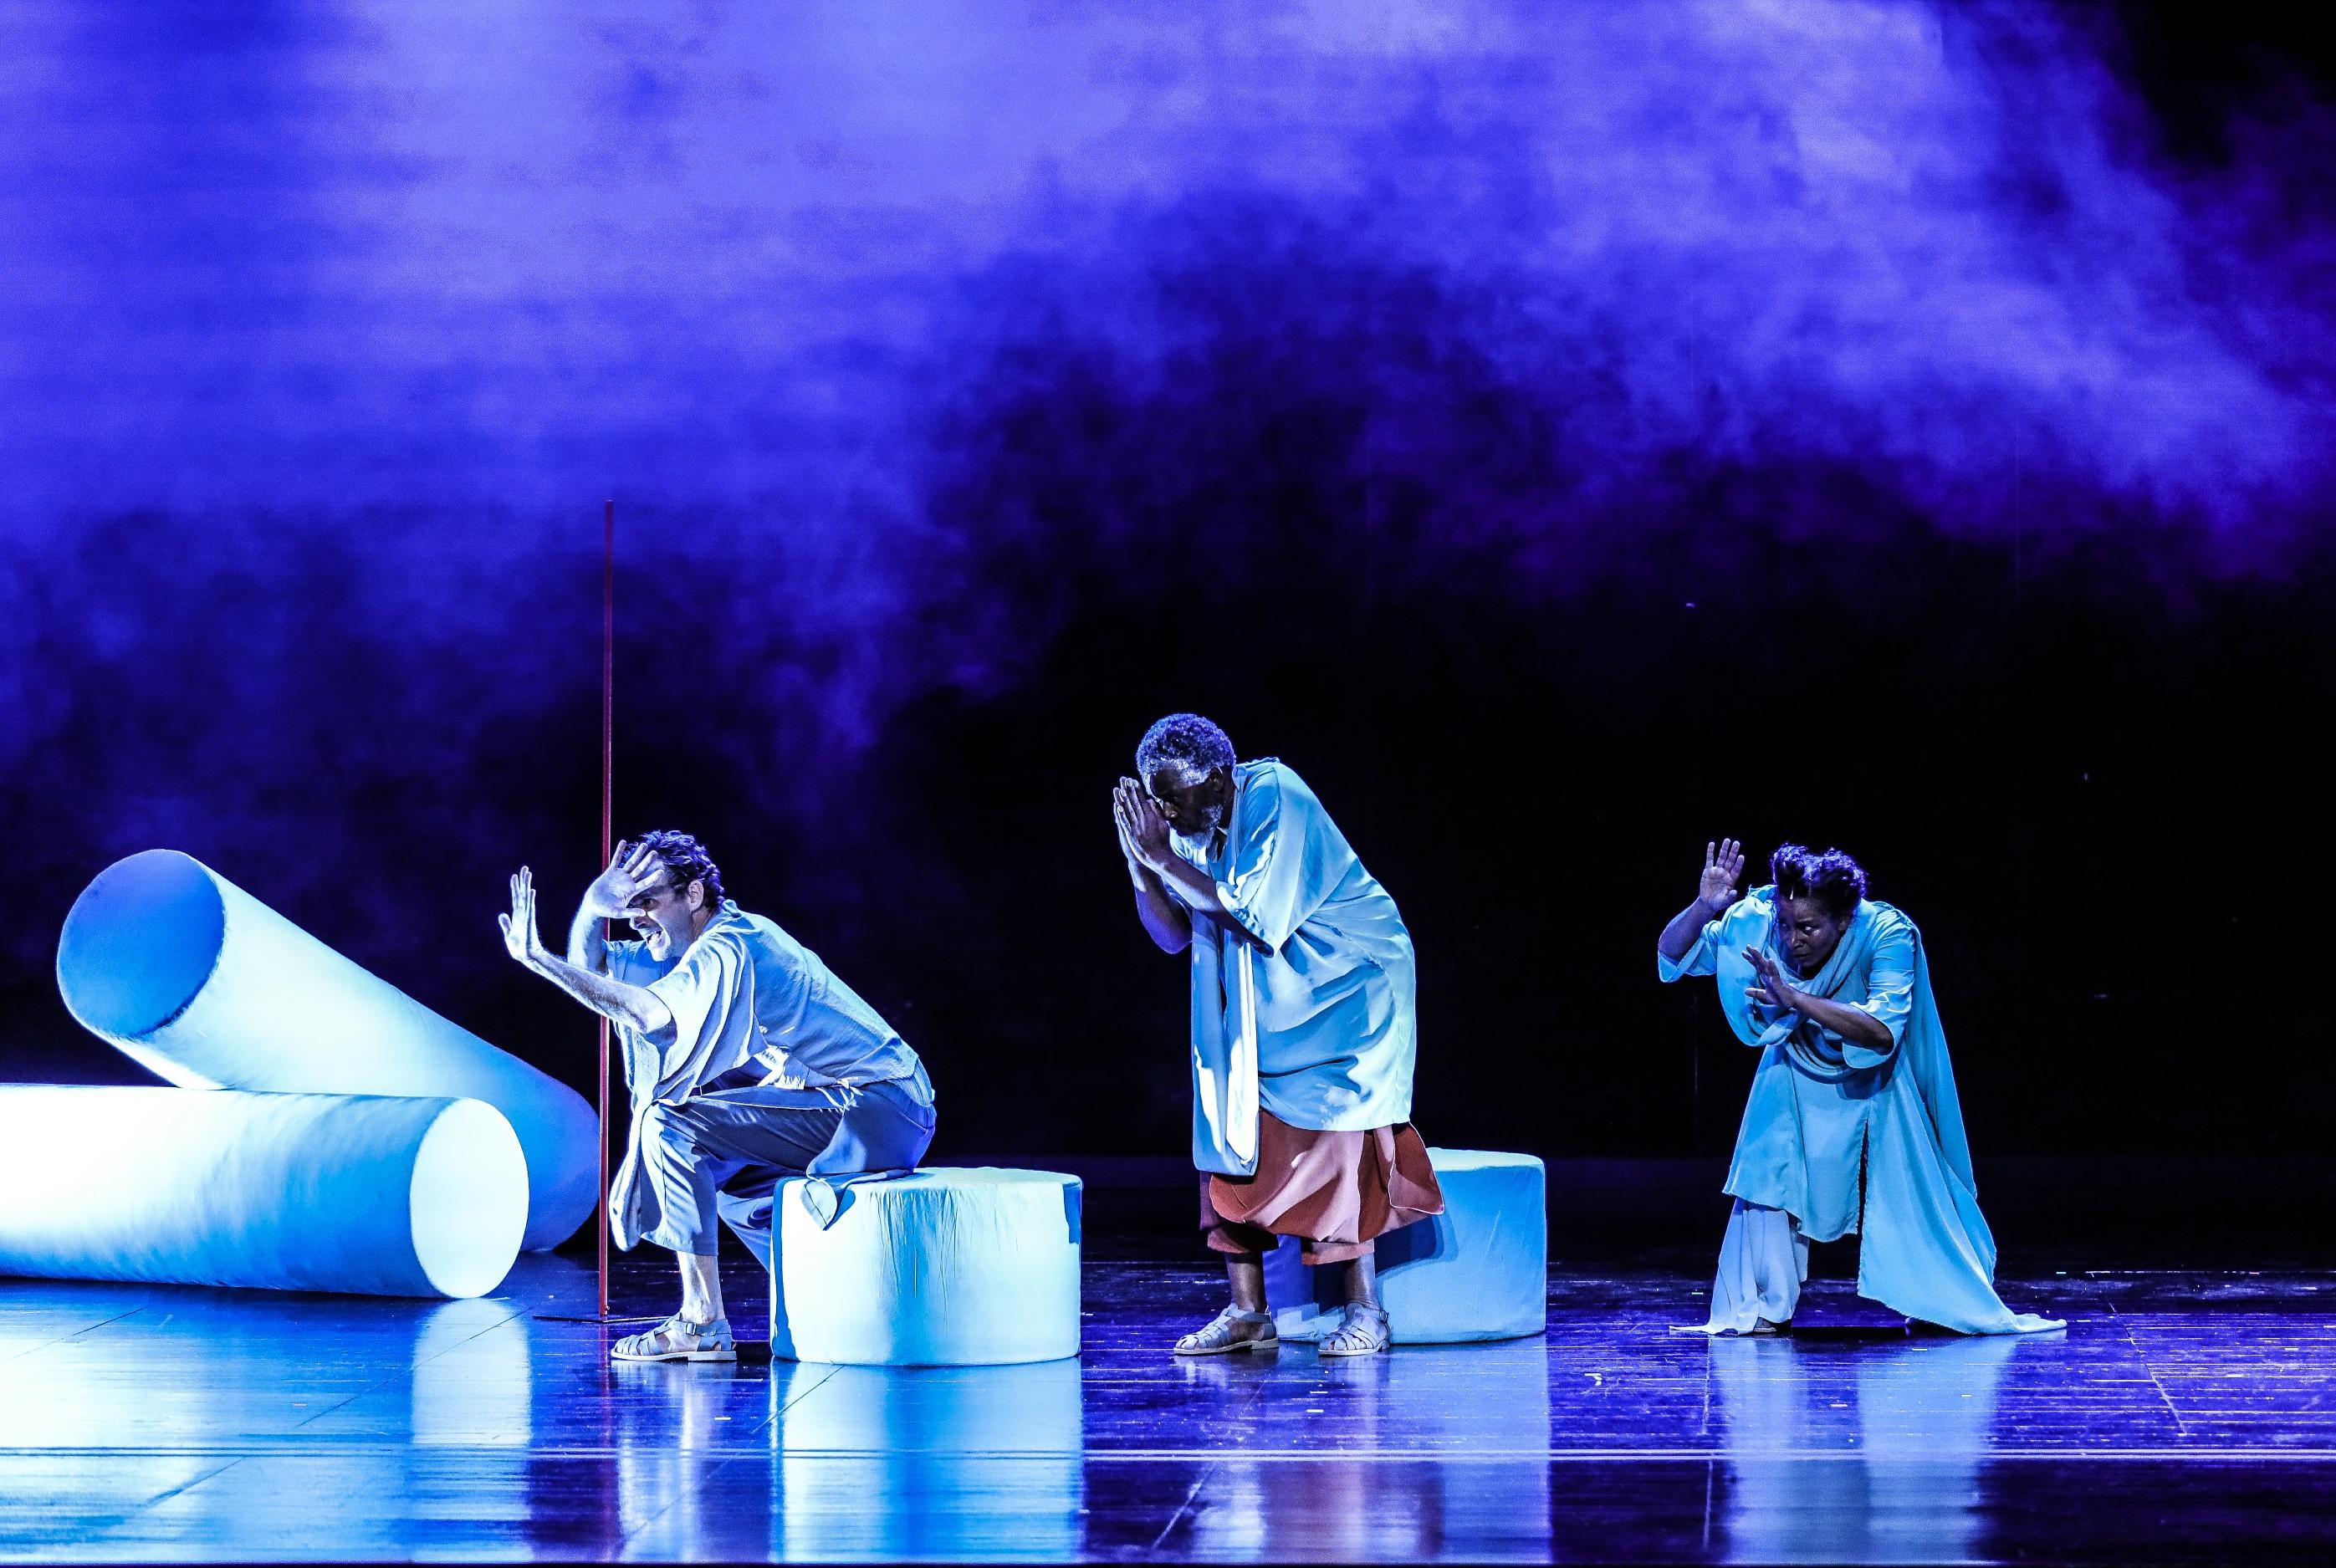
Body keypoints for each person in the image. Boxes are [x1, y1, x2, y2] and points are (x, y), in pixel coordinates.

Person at [499, 830, 936, 1362]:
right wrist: (593, 908)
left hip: (877, 1109)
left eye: (647, 901)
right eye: (628, 906)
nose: (635, 917)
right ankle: (830, 1296)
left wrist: (538, 959)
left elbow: (649, 1014)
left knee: (669, 1125)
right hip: (876, 1110)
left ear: (694, 895)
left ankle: (701, 1322)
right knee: (730, 1181)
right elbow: (593, 977)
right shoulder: (692, 946)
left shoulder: (729, 945)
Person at [1112, 712, 1442, 1358]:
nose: (1164, 811)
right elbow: (1171, 935)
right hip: (1265, 1001)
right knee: (1229, 1130)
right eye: (1155, 799)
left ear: (1217, 779)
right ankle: (1247, 1313)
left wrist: (1161, 856)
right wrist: (1140, 861)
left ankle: (1365, 1310)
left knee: (1336, 1137)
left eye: (1172, 796)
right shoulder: (1188, 826)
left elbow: (1252, 914)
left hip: (1343, 987)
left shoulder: (1275, 794)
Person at [1658, 839, 2061, 1336]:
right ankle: (1763, 1303)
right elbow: (1671, 956)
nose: (1792, 939)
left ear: (1844, 919)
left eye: (1808, 928)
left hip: (1874, 1074)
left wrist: (1795, 998)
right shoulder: (1759, 920)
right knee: (1766, 1171)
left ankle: (1934, 1297)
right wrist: (1704, 907)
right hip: (1793, 1063)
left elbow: (1882, 1031)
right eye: (1785, 925)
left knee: (1905, 1184)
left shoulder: (1887, 931)